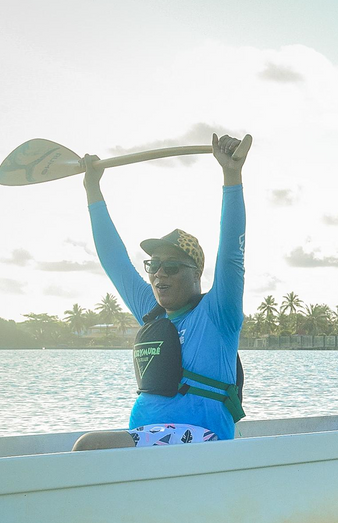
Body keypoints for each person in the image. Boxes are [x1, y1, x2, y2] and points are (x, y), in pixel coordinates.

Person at [73, 133, 251, 451]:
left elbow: (232, 255)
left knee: (89, 446)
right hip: (149, 442)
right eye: (153, 265)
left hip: (205, 440)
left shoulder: (218, 312)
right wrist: (92, 189)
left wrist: (231, 176)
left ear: (196, 274)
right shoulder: (151, 310)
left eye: (170, 267)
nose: (158, 274)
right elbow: (114, 261)